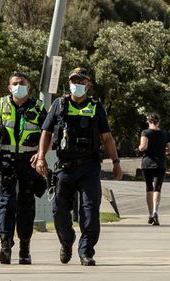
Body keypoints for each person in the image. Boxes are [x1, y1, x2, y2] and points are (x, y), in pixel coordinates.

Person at [35, 67, 123, 266]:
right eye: (74, 81)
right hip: (64, 167)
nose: (77, 85)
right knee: (59, 210)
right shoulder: (59, 104)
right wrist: (41, 157)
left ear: (88, 85)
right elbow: (46, 133)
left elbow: (107, 137)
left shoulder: (96, 107)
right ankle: (66, 242)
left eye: (81, 82)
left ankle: (86, 252)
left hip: (89, 167)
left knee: (90, 210)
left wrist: (116, 162)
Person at [0, 72, 47, 265]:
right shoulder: (1, 107)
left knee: (26, 205)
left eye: (22, 83)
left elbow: (47, 134)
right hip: (7, 161)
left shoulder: (39, 108)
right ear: (9, 88)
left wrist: (41, 155)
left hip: (29, 162)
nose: (19, 86)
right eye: (15, 84)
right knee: (6, 204)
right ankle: (5, 247)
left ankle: (25, 249)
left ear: (29, 86)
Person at [138, 112, 170, 226]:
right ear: (159, 121)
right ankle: (155, 211)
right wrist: (163, 151)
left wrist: (140, 147)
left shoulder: (145, 132)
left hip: (147, 163)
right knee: (157, 188)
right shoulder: (164, 133)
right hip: (160, 164)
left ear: (148, 121)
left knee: (149, 188)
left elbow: (143, 147)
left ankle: (150, 214)